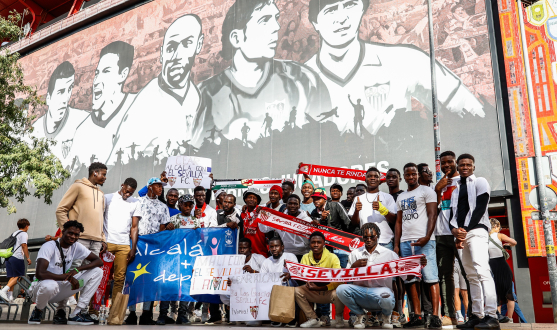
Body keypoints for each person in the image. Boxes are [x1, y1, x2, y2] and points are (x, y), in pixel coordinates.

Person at [304, 0, 485, 138]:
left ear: (361, 9)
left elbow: (471, 111)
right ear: (315, 23)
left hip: (397, 180)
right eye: (331, 10)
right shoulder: (296, 79)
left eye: (350, 5)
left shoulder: (405, 59)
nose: (342, 18)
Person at [193, 0, 328, 147]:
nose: (276, 27)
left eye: (275, 18)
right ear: (237, 38)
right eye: (264, 20)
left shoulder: (302, 79)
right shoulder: (204, 96)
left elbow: (327, 144)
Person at [108, 14, 205, 163]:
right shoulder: (145, 104)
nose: (177, 56)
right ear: (162, 53)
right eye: (171, 47)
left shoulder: (195, 94)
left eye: (187, 44)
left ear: (198, 45)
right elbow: (116, 164)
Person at [337, 223, 428, 329]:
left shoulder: (389, 254)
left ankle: (386, 316)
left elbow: (406, 277)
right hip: (361, 294)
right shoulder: (355, 254)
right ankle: (360, 315)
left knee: (388, 295)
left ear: (378, 236)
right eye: (366, 237)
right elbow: (346, 278)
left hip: (380, 295)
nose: (369, 239)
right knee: (341, 289)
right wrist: (354, 266)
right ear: (362, 237)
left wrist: (418, 266)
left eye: (372, 237)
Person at [450, 154, 499, 330]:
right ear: (458, 167)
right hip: (462, 234)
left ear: (473, 167)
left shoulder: (480, 182)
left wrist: (466, 230)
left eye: (468, 165)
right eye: (462, 165)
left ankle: (492, 316)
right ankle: (477, 316)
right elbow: (452, 216)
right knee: (470, 275)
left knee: (482, 270)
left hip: (477, 230)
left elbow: (481, 207)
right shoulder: (455, 189)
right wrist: (455, 231)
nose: (465, 167)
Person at [70, 41, 137, 166]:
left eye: (106, 71)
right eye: (97, 73)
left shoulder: (138, 107)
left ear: (123, 74)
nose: (96, 81)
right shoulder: (82, 131)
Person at [55, 161, 108, 318]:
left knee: (92, 275)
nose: (105, 178)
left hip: (96, 241)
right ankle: (61, 310)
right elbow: (61, 209)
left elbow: (101, 218)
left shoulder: (101, 194)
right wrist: (68, 232)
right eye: (103, 174)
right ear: (95, 173)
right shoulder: (78, 186)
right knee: (71, 273)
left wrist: (103, 239)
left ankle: (81, 311)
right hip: (79, 240)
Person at [27, 220, 103, 325]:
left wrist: (77, 269)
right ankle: (38, 310)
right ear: (63, 232)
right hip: (40, 289)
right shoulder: (49, 246)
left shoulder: (76, 246)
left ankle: (76, 313)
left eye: (76, 235)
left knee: (98, 272)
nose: (73, 237)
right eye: (70, 233)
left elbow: (98, 261)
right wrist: (66, 277)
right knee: (50, 285)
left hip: (60, 288)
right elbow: (40, 273)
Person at [394, 163, 441, 328]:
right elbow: (398, 222)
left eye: (413, 174)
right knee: (410, 281)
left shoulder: (427, 191)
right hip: (406, 243)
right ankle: (417, 316)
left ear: (418, 175)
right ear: (404, 177)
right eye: (408, 174)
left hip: (425, 242)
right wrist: (397, 245)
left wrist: (427, 237)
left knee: (431, 278)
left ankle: (435, 316)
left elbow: (432, 214)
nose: (411, 177)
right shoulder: (401, 197)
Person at [126, 177, 171, 325]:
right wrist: (133, 245)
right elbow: (134, 225)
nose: (161, 189)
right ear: (150, 187)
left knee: (150, 279)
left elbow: (162, 228)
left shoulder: (163, 206)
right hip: (138, 243)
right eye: (158, 186)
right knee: (133, 278)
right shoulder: (138, 202)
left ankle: (146, 313)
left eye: (161, 187)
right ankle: (132, 313)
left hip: (153, 246)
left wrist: (157, 244)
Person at [30, 61, 89, 169]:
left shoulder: (83, 121)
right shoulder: (34, 133)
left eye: (69, 89)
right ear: (48, 98)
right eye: (60, 91)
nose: (65, 98)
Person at [434, 151, 466, 326]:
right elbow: (435, 209)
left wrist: (464, 231)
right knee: (445, 276)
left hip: (459, 234)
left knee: (469, 273)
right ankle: (449, 315)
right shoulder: (439, 184)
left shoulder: (464, 181)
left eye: (449, 162)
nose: (446, 165)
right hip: (441, 235)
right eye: (443, 163)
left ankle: (479, 313)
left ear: (455, 162)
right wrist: (438, 190)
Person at [290, 232, 345, 328]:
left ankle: (339, 317)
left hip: (329, 292)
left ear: (324, 244)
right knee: (296, 291)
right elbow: (302, 277)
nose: (315, 245)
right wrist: (291, 273)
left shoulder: (333, 257)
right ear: (309, 244)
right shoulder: (305, 257)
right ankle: (312, 318)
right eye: (313, 242)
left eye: (318, 242)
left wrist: (323, 287)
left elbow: (339, 280)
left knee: (341, 291)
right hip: (312, 291)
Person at [103, 178, 140, 319]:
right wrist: (102, 240)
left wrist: (133, 247)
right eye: (126, 191)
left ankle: (114, 313)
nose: (127, 194)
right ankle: (93, 311)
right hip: (107, 242)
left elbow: (134, 227)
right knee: (102, 278)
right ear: (122, 186)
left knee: (120, 279)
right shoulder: (108, 198)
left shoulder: (136, 202)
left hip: (124, 245)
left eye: (131, 193)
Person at [349, 167, 396, 250]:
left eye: (376, 176)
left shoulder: (387, 197)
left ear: (379, 180)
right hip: (366, 242)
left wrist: (383, 210)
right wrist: (356, 211)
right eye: (370, 176)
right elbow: (354, 223)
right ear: (365, 180)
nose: (373, 178)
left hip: (385, 242)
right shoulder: (358, 199)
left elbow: (394, 220)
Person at [222, 238, 267, 326]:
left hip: (255, 292)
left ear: (250, 249)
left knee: (253, 323)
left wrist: (253, 272)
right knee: (223, 293)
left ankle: (253, 316)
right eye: (240, 248)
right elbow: (229, 277)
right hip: (240, 292)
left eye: (244, 248)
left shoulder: (259, 258)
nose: (242, 250)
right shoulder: (234, 260)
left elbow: (268, 277)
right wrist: (231, 283)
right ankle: (237, 312)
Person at [261, 237, 298, 327]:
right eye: (272, 246)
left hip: (287, 286)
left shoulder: (290, 256)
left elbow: (297, 273)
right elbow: (262, 278)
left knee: (290, 282)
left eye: (276, 246)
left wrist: (290, 274)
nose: (274, 249)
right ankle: (276, 317)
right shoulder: (266, 261)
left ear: (282, 247)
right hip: (273, 289)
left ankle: (291, 317)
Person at [261, 194, 312, 259]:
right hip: (287, 254)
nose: (292, 206)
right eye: (290, 203)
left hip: (304, 254)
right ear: (286, 205)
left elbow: (314, 237)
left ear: (299, 206)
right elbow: (264, 229)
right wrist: (261, 216)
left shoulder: (307, 220)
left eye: (295, 204)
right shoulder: (280, 219)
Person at [311, 189, 353, 267]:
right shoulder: (314, 213)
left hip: (342, 247)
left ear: (324, 199)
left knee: (344, 274)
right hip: (326, 250)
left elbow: (349, 224)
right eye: (314, 199)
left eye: (318, 199)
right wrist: (322, 220)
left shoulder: (336, 205)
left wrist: (353, 241)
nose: (316, 201)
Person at [488, 218, 517, 322]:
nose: (499, 229)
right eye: (499, 227)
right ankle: (509, 318)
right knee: (509, 293)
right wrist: (507, 245)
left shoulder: (484, 237)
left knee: (496, 294)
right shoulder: (499, 235)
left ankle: (497, 317)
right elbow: (514, 242)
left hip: (491, 266)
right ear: (495, 226)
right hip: (502, 265)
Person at [0, 219, 31, 303]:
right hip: (17, 257)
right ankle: (3, 291)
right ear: (26, 226)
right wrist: (28, 258)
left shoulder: (14, 233)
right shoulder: (24, 234)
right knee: (19, 276)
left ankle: (10, 297)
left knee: (13, 277)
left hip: (9, 256)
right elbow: (24, 245)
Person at [241, 189, 269, 256]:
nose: (252, 199)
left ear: (257, 201)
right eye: (250, 197)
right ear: (245, 199)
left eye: (254, 198)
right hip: (246, 253)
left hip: (260, 251)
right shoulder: (242, 214)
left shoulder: (262, 212)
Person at [454, 257, 468, 323]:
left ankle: (463, 315)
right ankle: (462, 315)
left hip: (462, 261)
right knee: (459, 291)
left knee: (462, 291)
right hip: (457, 261)